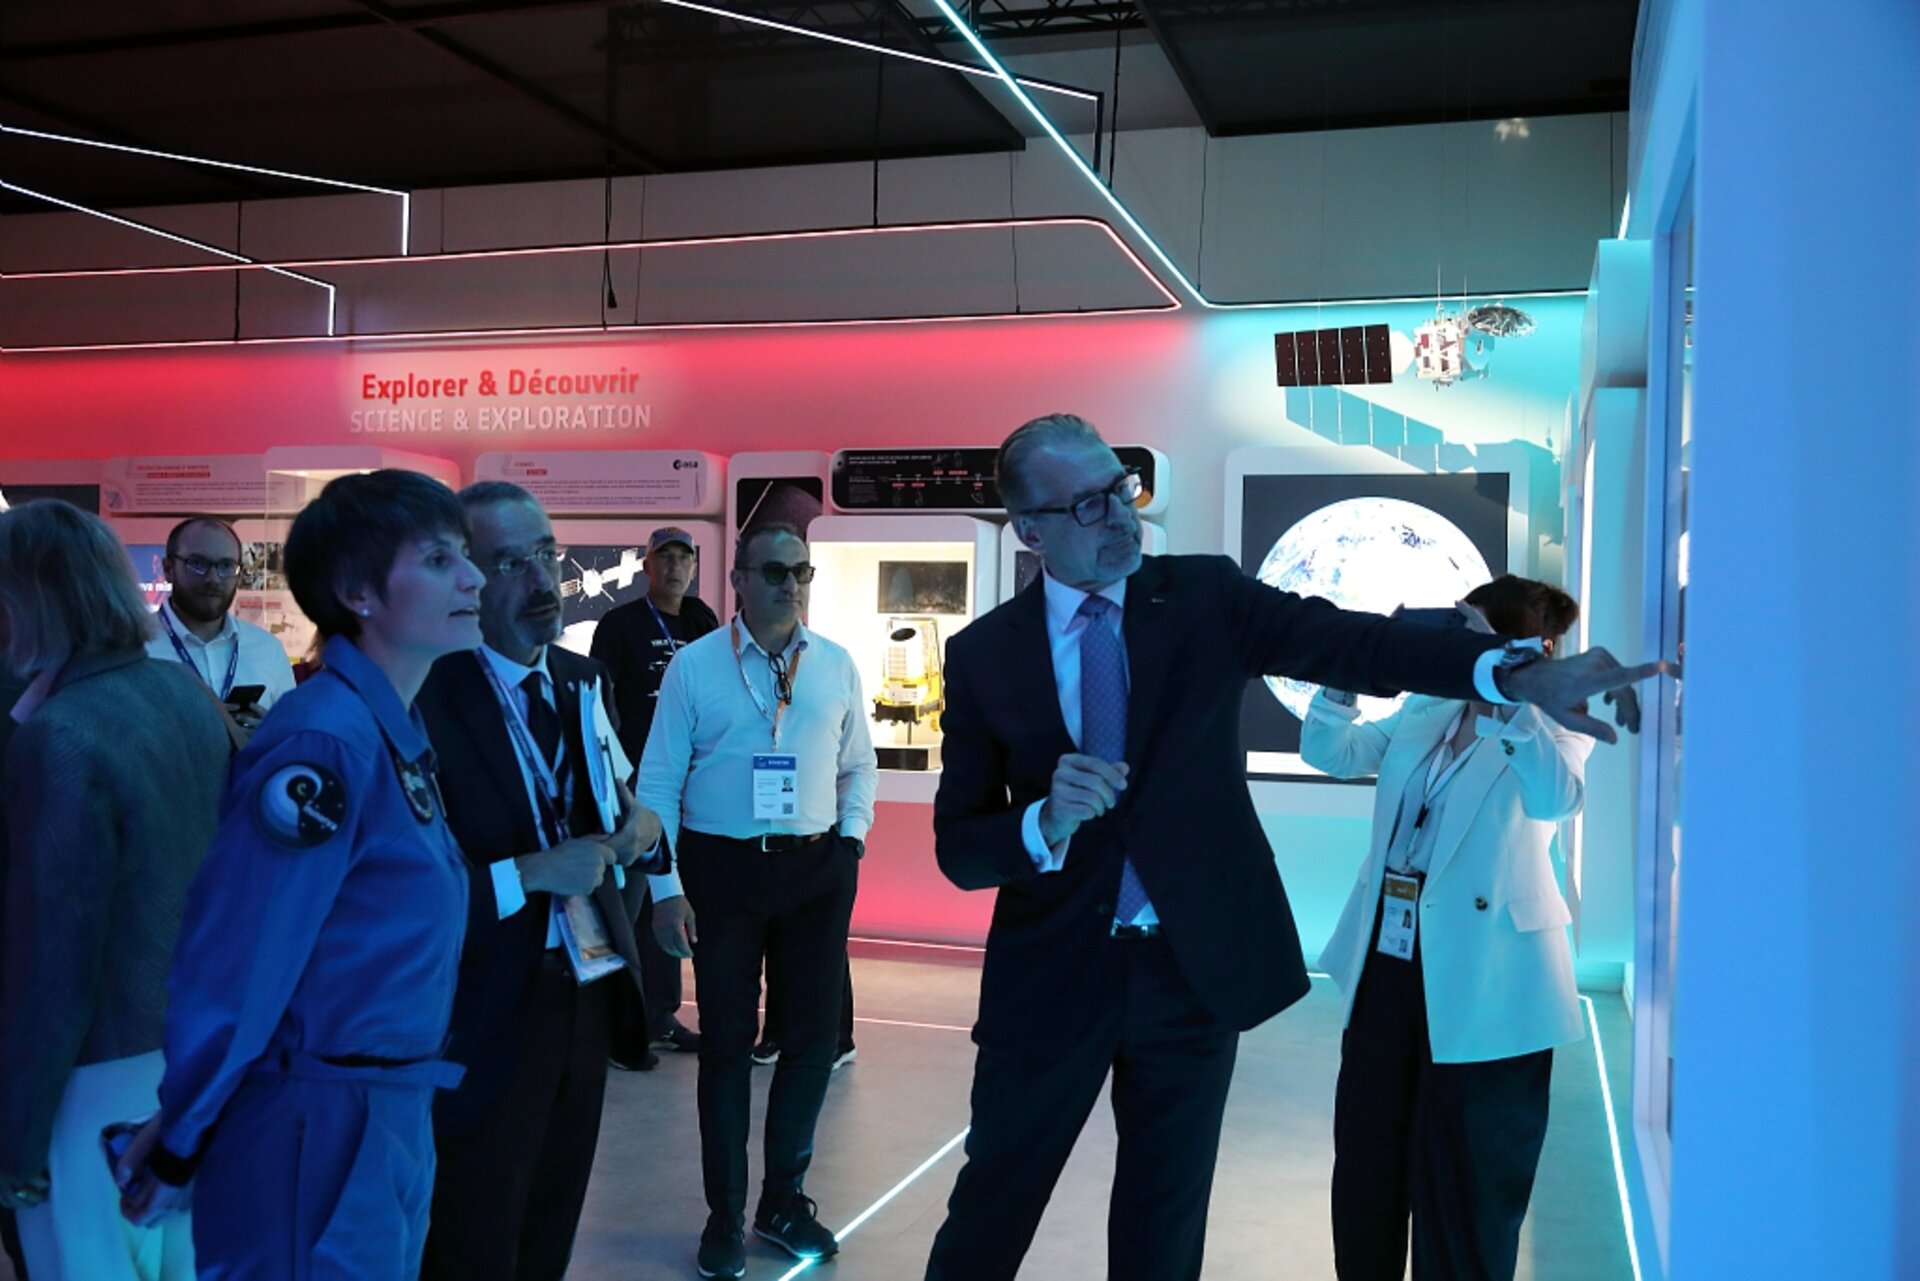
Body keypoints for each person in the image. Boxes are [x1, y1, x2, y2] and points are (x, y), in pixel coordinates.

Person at [922, 414, 1662, 1281]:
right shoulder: (985, 656)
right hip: (1052, 978)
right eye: (1087, 505)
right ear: (1031, 529)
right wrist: (1041, 820)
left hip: (1192, 971)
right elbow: (960, 848)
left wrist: (1516, 672)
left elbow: (1356, 640)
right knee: (992, 1206)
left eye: (1119, 488)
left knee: (1164, 1228)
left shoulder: (1203, 598)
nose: (1120, 515)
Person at [115, 470, 486, 1278]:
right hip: (311, 1127)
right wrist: (183, 1133)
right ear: (357, 590)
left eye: (464, 555)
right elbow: (242, 958)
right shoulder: (325, 744)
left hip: (382, 1112)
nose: (474, 576)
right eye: (437, 558)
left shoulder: (390, 737)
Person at [1302, 577, 1593, 1281]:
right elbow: (1330, 752)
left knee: (1471, 1176)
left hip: (1491, 978)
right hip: (1389, 963)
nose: (1446, 639)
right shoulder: (1425, 705)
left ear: (1507, 640)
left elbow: (1559, 799)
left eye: (1464, 625)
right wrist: (1345, 675)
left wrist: (1514, 704)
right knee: (1369, 1156)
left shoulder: (1558, 715)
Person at [416, 483, 665, 1281]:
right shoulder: (424, 692)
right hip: (478, 1006)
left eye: (546, 554)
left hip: (583, 991)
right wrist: (526, 874)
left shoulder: (579, 679)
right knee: (473, 1230)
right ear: (465, 577)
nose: (538, 581)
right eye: (509, 562)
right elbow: (406, 894)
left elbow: (619, 801)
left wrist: (640, 829)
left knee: (552, 1218)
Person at [638, 522, 877, 1279]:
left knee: (810, 1042)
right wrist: (666, 887)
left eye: (801, 571)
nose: (790, 584)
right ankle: (725, 1213)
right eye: (773, 570)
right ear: (737, 579)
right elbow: (658, 783)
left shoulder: (834, 664)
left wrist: (852, 844)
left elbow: (857, 765)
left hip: (814, 872)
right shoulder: (696, 668)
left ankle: (784, 1199)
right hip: (721, 873)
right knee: (728, 1048)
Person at [0, 501, 230, 1281]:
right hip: (192, 1064)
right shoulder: (186, 696)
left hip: (88, 1083)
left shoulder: (61, 733)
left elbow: (54, 966)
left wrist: (17, 1141)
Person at [592, 525, 721, 1065]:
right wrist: (617, 780)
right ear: (645, 566)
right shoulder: (620, 624)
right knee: (631, 906)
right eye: (663, 557)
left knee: (675, 901)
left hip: (698, 787)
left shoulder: (702, 621)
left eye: (683, 558)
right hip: (639, 788)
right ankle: (619, 1023)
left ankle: (660, 1016)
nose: (674, 567)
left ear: (694, 567)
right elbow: (601, 703)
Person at [145, 516, 295, 728]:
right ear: (168, 569)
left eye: (226, 565)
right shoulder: (131, 646)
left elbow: (291, 736)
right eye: (197, 564)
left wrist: (269, 734)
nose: (213, 578)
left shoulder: (268, 650)